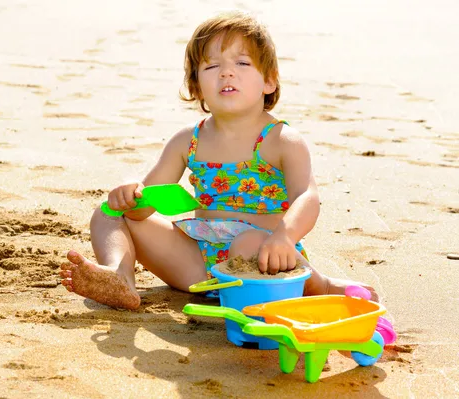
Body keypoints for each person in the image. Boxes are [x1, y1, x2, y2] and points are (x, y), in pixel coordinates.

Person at [60, 11, 377, 310]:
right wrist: (130, 195)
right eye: (212, 67)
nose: (227, 72)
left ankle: (318, 284)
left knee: (247, 241)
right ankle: (120, 276)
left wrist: (284, 237)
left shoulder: (281, 140)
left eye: (242, 62)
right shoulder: (188, 141)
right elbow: (144, 207)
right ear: (197, 86)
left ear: (269, 81)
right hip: (198, 265)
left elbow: (307, 198)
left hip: (267, 260)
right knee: (108, 212)